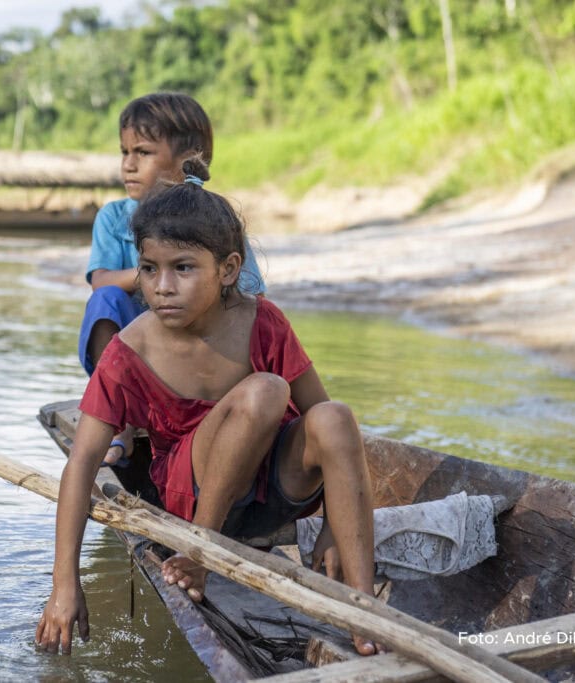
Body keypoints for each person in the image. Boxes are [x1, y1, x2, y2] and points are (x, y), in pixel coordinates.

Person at [37, 158, 383, 658]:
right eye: (150, 269)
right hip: (191, 501)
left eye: (183, 269)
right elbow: (82, 463)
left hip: (271, 492)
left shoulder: (263, 321)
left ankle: (364, 609)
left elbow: (325, 421)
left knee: (336, 416)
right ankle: (201, 551)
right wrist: (64, 585)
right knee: (265, 390)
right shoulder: (128, 353)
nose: (161, 287)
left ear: (228, 270)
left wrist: (334, 522)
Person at [79, 92, 266, 466]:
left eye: (143, 153)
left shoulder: (213, 219)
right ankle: (119, 424)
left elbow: (251, 294)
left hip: (203, 350)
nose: (128, 165)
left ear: (188, 160)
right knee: (106, 302)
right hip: (142, 354)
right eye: (124, 152)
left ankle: (221, 406)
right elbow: (101, 282)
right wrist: (153, 274)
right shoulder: (114, 217)